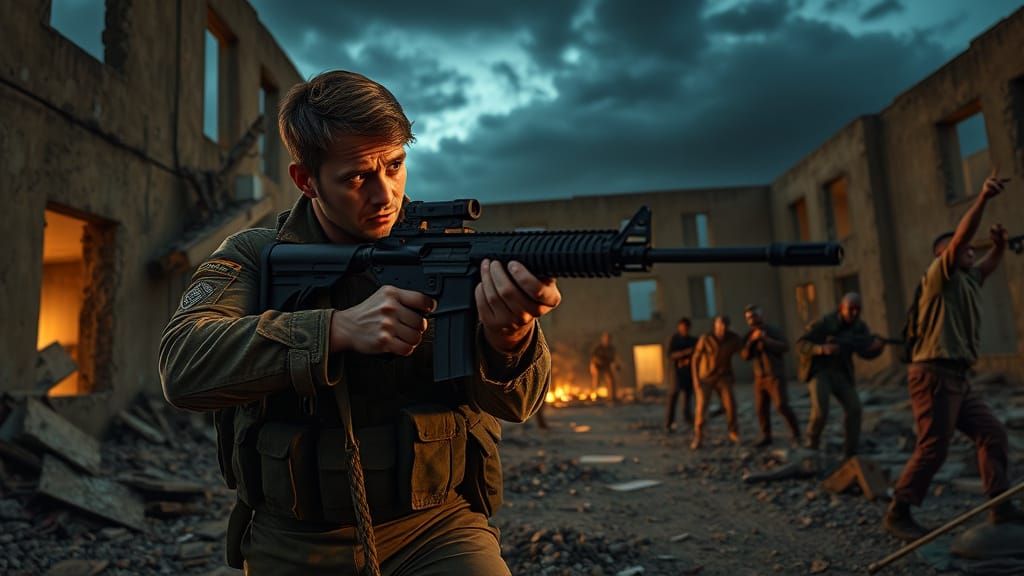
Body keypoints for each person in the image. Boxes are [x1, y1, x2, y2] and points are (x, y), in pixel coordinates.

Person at [159, 70, 560, 575]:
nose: (385, 194)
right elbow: (183, 364)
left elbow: (519, 405)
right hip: (294, 538)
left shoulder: (444, 249)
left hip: (436, 528)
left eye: (395, 166)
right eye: (356, 177)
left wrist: (511, 337)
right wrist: (335, 330)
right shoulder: (256, 256)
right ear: (306, 180)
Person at [883, 172, 1023, 541]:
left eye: (971, 249)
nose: (969, 250)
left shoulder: (967, 280)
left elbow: (988, 266)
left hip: (957, 377)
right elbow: (962, 234)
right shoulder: (938, 277)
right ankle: (899, 511)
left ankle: (1000, 506)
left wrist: (999, 246)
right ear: (943, 254)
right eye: (962, 248)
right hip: (933, 373)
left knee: (992, 432)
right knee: (933, 447)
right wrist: (983, 199)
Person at [797, 293, 884, 458]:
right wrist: (821, 349)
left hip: (841, 372)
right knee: (821, 411)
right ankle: (811, 444)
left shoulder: (860, 328)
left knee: (854, 408)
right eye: (850, 309)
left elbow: (864, 352)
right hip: (819, 371)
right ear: (841, 308)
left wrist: (876, 349)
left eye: (858, 309)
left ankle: (850, 451)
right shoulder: (824, 323)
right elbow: (801, 345)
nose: (854, 313)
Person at [741, 305, 800, 447]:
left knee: (781, 405)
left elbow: (785, 347)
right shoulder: (748, 336)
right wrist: (752, 342)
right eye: (749, 317)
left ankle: (796, 433)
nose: (752, 320)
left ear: (761, 316)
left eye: (754, 316)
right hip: (759, 377)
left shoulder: (773, 330)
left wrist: (766, 340)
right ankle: (766, 436)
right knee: (761, 409)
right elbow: (744, 356)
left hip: (775, 375)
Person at [690, 315, 744, 449]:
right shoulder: (706, 338)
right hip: (706, 378)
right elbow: (695, 359)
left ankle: (733, 432)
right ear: (715, 325)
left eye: (725, 325)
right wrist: (696, 379)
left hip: (723, 376)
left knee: (730, 405)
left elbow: (744, 352)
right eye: (720, 325)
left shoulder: (733, 338)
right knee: (701, 408)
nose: (722, 328)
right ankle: (699, 436)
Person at [665, 317, 698, 432]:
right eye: (683, 327)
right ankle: (669, 424)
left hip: (688, 374)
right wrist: (684, 353)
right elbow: (670, 355)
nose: (685, 330)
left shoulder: (693, 340)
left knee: (687, 400)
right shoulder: (674, 339)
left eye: (686, 328)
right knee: (673, 399)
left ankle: (689, 420)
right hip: (676, 374)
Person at [590, 331, 620, 404]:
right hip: (597, 366)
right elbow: (594, 358)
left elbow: (614, 358)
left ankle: (612, 396)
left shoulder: (611, 348)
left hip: (606, 366)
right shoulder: (598, 348)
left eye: (608, 339)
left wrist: (616, 365)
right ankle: (595, 395)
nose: (607, 340)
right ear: (602, 339)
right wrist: (595, 365)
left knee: (611, 379)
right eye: (605, 338)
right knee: (596, 379)